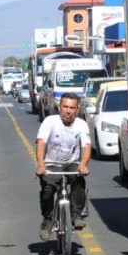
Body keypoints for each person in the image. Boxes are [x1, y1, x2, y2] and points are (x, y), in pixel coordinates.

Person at [35, 92, 91, 241]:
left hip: (71, 163)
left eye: (72, 108)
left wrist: (83, 164)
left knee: (79, 182)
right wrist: (41, 165)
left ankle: (76, 216)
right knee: (47, 191)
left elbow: (86, 146)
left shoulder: (81, 124)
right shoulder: (49, 121)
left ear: (77, 110)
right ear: (59, 107)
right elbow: (41, 143)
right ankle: (47, 221)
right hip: (51, 164)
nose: (68, 110)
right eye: (65, 106)